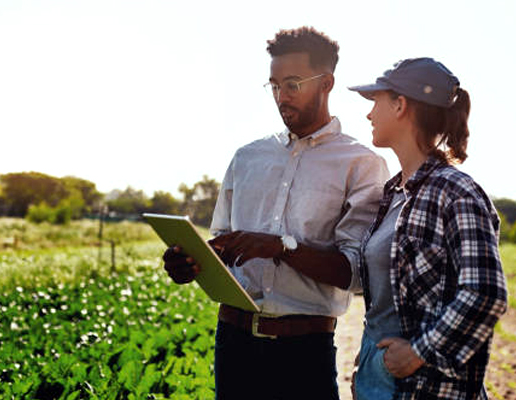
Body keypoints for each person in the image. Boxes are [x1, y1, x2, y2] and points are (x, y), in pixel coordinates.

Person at [162, 27, 389, 400]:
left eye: (293, 84)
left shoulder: (361, 164)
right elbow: (221, 246)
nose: (281, 97)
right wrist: (191, 262)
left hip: (304, 354)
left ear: (326, 83)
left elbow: (356, 273)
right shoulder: (247, 157)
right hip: (232, 345)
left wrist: (281, 248)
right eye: (274, 85)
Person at [347, 58, 508, 399]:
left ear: (400, 105)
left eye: (375, 101)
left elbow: (485, 292)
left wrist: (419, 351)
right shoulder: (392, 193)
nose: (369, 114)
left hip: (425, 386)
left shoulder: (456, 191)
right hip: (379, 375)